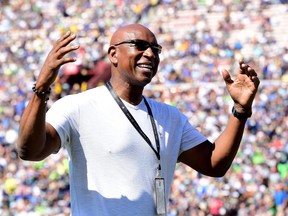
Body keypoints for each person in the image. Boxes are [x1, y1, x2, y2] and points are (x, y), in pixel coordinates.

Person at [17, 24, 260, 215]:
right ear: (114, 54)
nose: (150, 54)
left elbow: (213, 163)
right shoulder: (77, 106)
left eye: (156, 49)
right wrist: (41, 88)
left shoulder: (170, 116)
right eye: (140, 45)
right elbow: (30, 150)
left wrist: (240, 110)